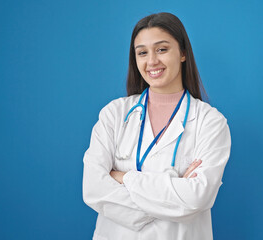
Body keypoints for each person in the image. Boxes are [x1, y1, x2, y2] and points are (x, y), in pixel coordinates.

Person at [82, 12, 231, 240]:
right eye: (142, 52)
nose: (151, 61)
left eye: (162, 49)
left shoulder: (210, 122)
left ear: (182, 53)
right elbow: (93, 189)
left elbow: (197, 197)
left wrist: (124, 178)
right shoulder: (114, 114)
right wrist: (174, 189)